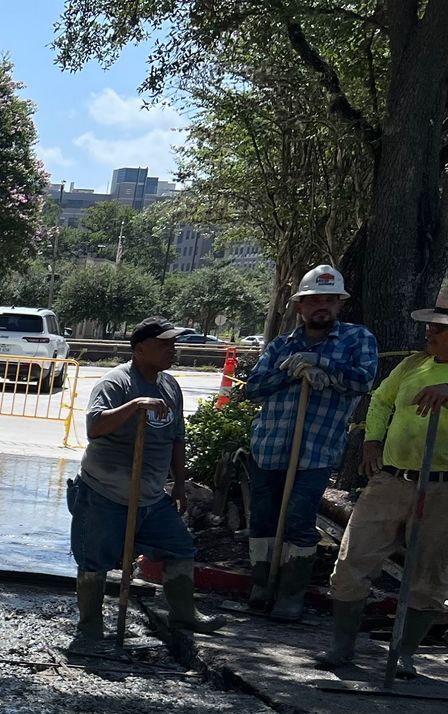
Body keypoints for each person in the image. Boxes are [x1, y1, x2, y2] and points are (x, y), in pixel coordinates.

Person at [317, 283, 448, 673]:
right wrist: (372, 440)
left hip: (442, 488)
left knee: (428, 576)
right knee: (352, 561)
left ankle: (403, 654)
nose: (429, 332)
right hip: (392, 481)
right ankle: (342, 648)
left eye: (439, 328)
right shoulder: (411, 365)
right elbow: (381, 400)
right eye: (431, 326)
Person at [70, 316, 224, 641]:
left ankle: (184, 615)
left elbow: (177, 438)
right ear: (139, 349)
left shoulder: (170, 386)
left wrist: (179, 483)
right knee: (94, 559)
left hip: (152, 495)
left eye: (173, 344)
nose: (172, 350)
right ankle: (90, 628)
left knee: (179, 546)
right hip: (105, 492)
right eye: (164, 344)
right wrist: (135, 405)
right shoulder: (116, 383)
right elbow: (95, 427)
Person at [243, 265, 378, 619]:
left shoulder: (357, 339)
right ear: (300, 305)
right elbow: (253, 388)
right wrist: (289, 372)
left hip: (316, 451)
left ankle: (290, 595)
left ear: (339, 304)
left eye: (329, 300)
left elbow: (363, 380)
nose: (322, 306)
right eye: (314, 300)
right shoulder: (281, 345)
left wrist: (323, 365)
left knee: (299, 520)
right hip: (269, 447)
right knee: (263, 519)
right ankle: (262, 585)